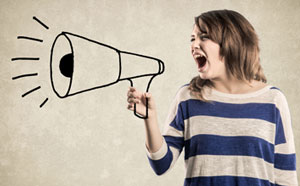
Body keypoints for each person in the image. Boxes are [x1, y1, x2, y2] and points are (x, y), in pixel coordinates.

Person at [126, 9, 298, 186]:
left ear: (232, 43)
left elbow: (286, 179)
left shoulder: (273, 100)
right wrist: (149, 117)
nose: (194, 45)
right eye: (193, 38)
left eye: (204, 37)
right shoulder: (187, 98)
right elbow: (161, 164)